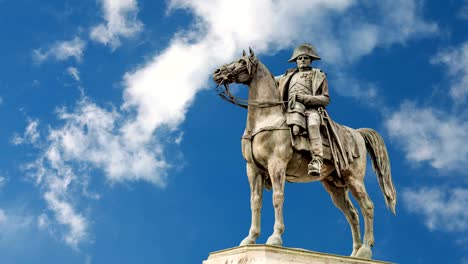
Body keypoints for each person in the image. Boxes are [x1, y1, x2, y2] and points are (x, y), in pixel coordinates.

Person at [277, 43, 330, 176]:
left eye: (305, 58)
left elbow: (325, 99)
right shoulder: (286, 76)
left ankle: (317, 159)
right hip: (288, 109)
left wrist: (304, 98)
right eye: (299, 58)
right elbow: (266, 78)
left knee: (312, 125)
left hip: (310, 110)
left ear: (311, 60)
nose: (302, 60)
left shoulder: (318, 75)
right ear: (295, 61)